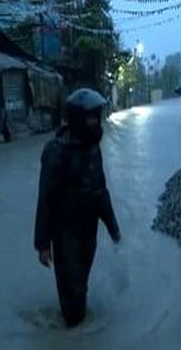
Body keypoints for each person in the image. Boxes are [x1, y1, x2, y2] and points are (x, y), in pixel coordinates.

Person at [34, 88, 121, 328]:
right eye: (91, 118)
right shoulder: (56, 152)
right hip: (65, 234)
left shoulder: (93, 149)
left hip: (88, 231)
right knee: (72, 296)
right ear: (77, 119)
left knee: (80, 284)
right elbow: (45, 199)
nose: (96, 122)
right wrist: (42, 244)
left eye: (97, 117)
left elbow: (100, 190)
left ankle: (75, 326)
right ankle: (72, 334)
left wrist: (113, 228)